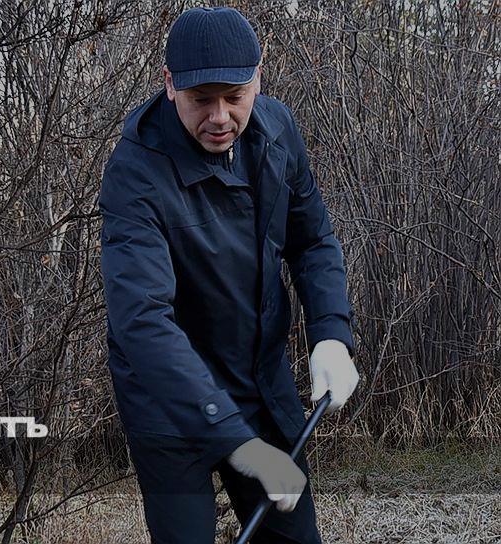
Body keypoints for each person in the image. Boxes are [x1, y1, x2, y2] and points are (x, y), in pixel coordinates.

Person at [99, 7, 360, 543]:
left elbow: (312, 240)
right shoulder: (134, 173)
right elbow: (142, 320)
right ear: (169, 84)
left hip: (258, 381)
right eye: (201, 99)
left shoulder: (277, 131)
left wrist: (331, 333)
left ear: (258, 78)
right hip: (168, 400)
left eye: (235, 97)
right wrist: (239, 446)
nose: (219, 116)